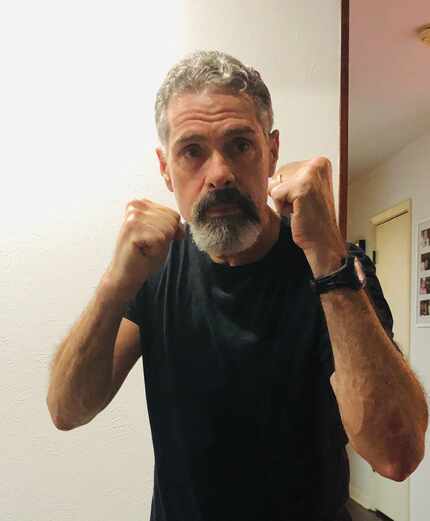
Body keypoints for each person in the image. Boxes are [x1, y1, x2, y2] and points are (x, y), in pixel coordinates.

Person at [47, 51, 428, 521]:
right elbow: (68, 410)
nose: (220, 173)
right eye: (192, 151)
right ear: (166, 169)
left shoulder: (336, 269)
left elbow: (396, 455)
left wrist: (328, 256)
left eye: (240, 145)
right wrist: (114, 283)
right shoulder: (155, 269)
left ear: (271, 151)